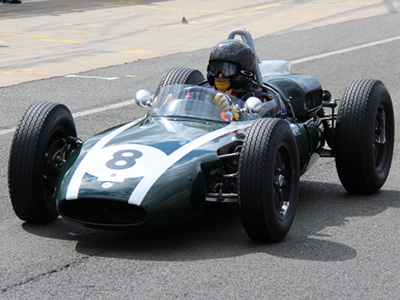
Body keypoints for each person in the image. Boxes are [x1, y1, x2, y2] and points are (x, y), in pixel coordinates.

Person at [207, 39, 271, 119]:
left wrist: (235, 114)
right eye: (215, 69)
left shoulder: (255, 100)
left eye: (227, 71)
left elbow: (261, 124)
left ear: (244, 73)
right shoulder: (204, 92)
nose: (220, 75)